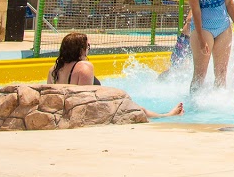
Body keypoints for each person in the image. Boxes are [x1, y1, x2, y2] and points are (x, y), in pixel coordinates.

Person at [46, 31, 184, 117]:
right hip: (85, 112)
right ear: (80, 49)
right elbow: (85, 99)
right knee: (134, 108)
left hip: (62, 112)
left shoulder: (53, 69)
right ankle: (166, 116)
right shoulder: (84, 67)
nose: (89, 50)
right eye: (88, 47)